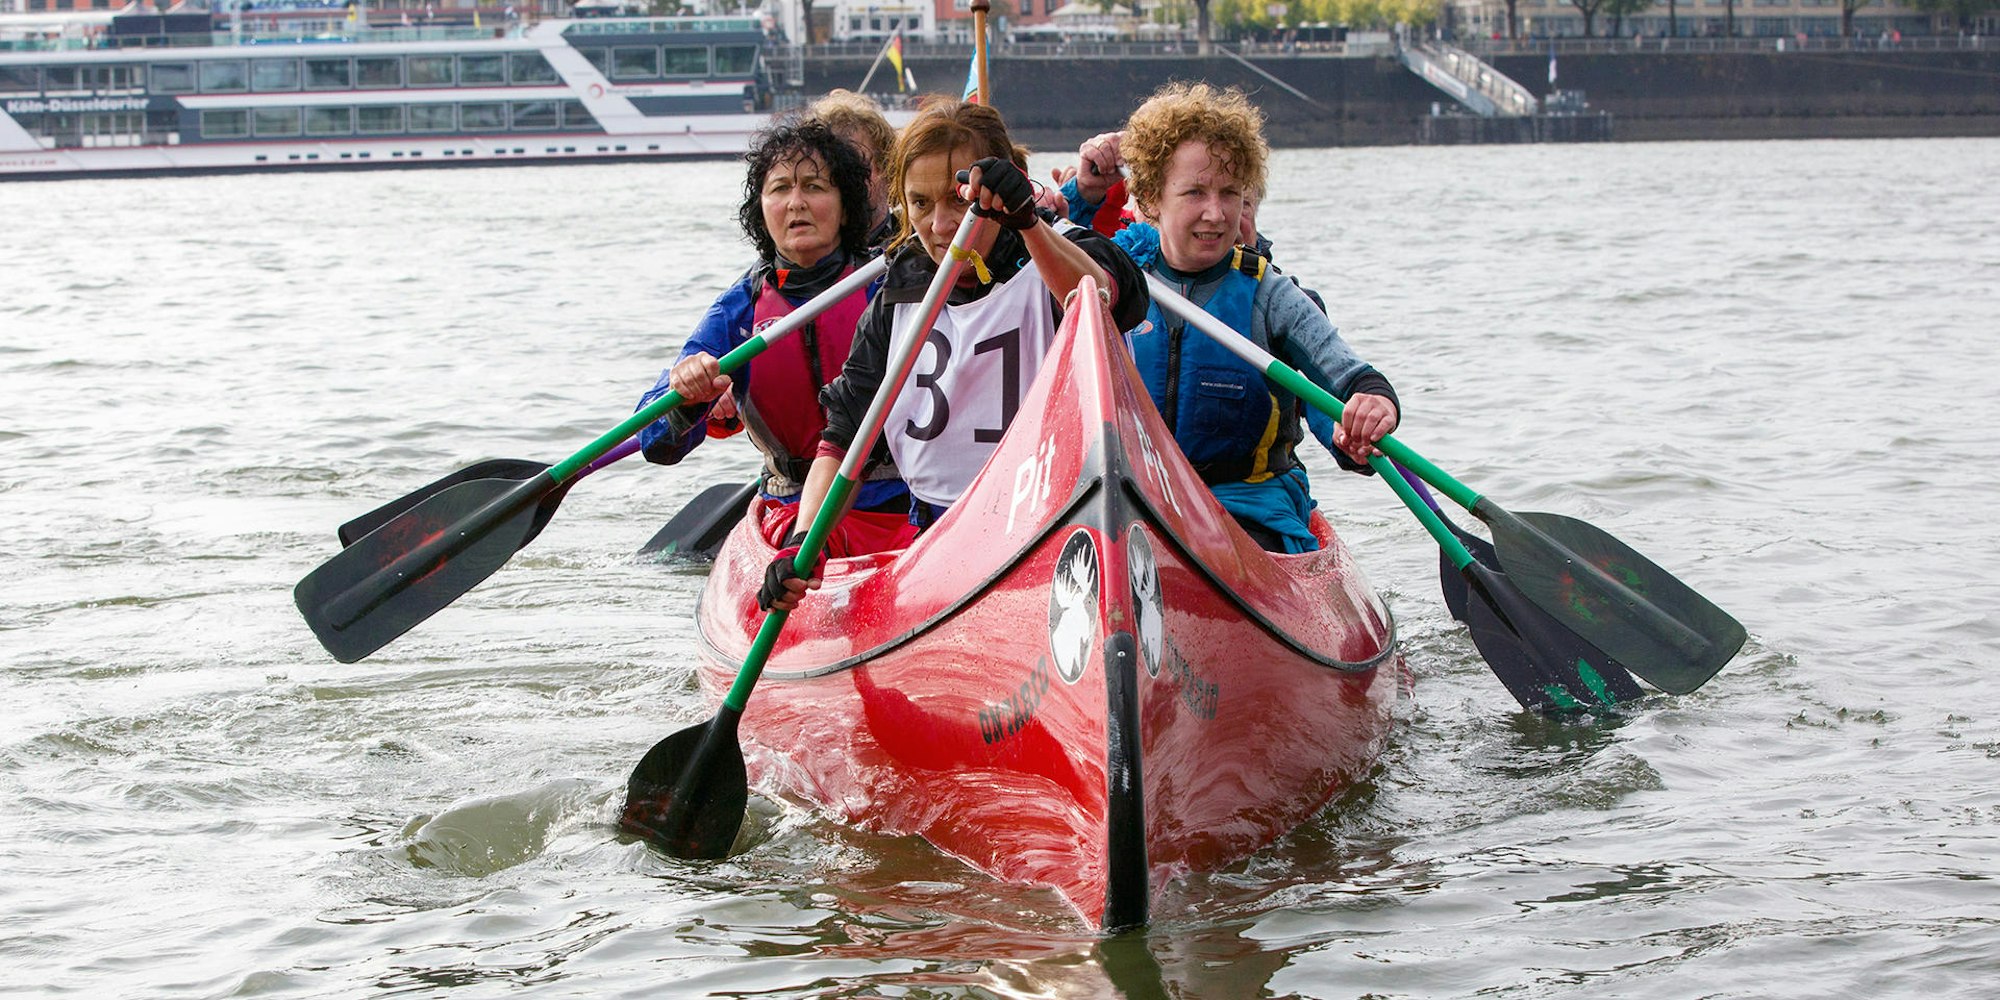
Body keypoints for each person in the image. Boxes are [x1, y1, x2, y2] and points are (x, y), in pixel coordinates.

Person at [763, 98, 1150, 611]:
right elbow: (841, 441)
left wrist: (1027, 222)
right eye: (920, 204)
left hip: (1060, 525)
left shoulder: (1061, 247)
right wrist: (803, 540)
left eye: (957, 200)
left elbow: (1100, 297)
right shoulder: (897, 295)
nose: (941, 224)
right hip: (939, 533)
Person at [1112, 82, 1400, 554]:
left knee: (1225, 544)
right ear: (1148, 199)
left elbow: (1353, 378)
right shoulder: (1115, 283)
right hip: (1138, 501)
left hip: (1249, 504)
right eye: (1195, 192)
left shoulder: (1272, 295)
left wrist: (1372, 409)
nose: (1216, 212)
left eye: (1230, 193)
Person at [633, 118, 914, 557]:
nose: (796, 203)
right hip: (791, 510)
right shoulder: (740, 309)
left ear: (845, 204)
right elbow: (657, 444)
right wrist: (687, 396)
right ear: (762, 209)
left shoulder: (892, 281)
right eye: (780, 188)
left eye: (815, 187)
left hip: (901, 505)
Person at [805, 89, 899, 248]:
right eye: (823, 172)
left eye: (855, 167)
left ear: (887, 170)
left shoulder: (924, 255)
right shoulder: (772, 267)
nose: (841, 181)